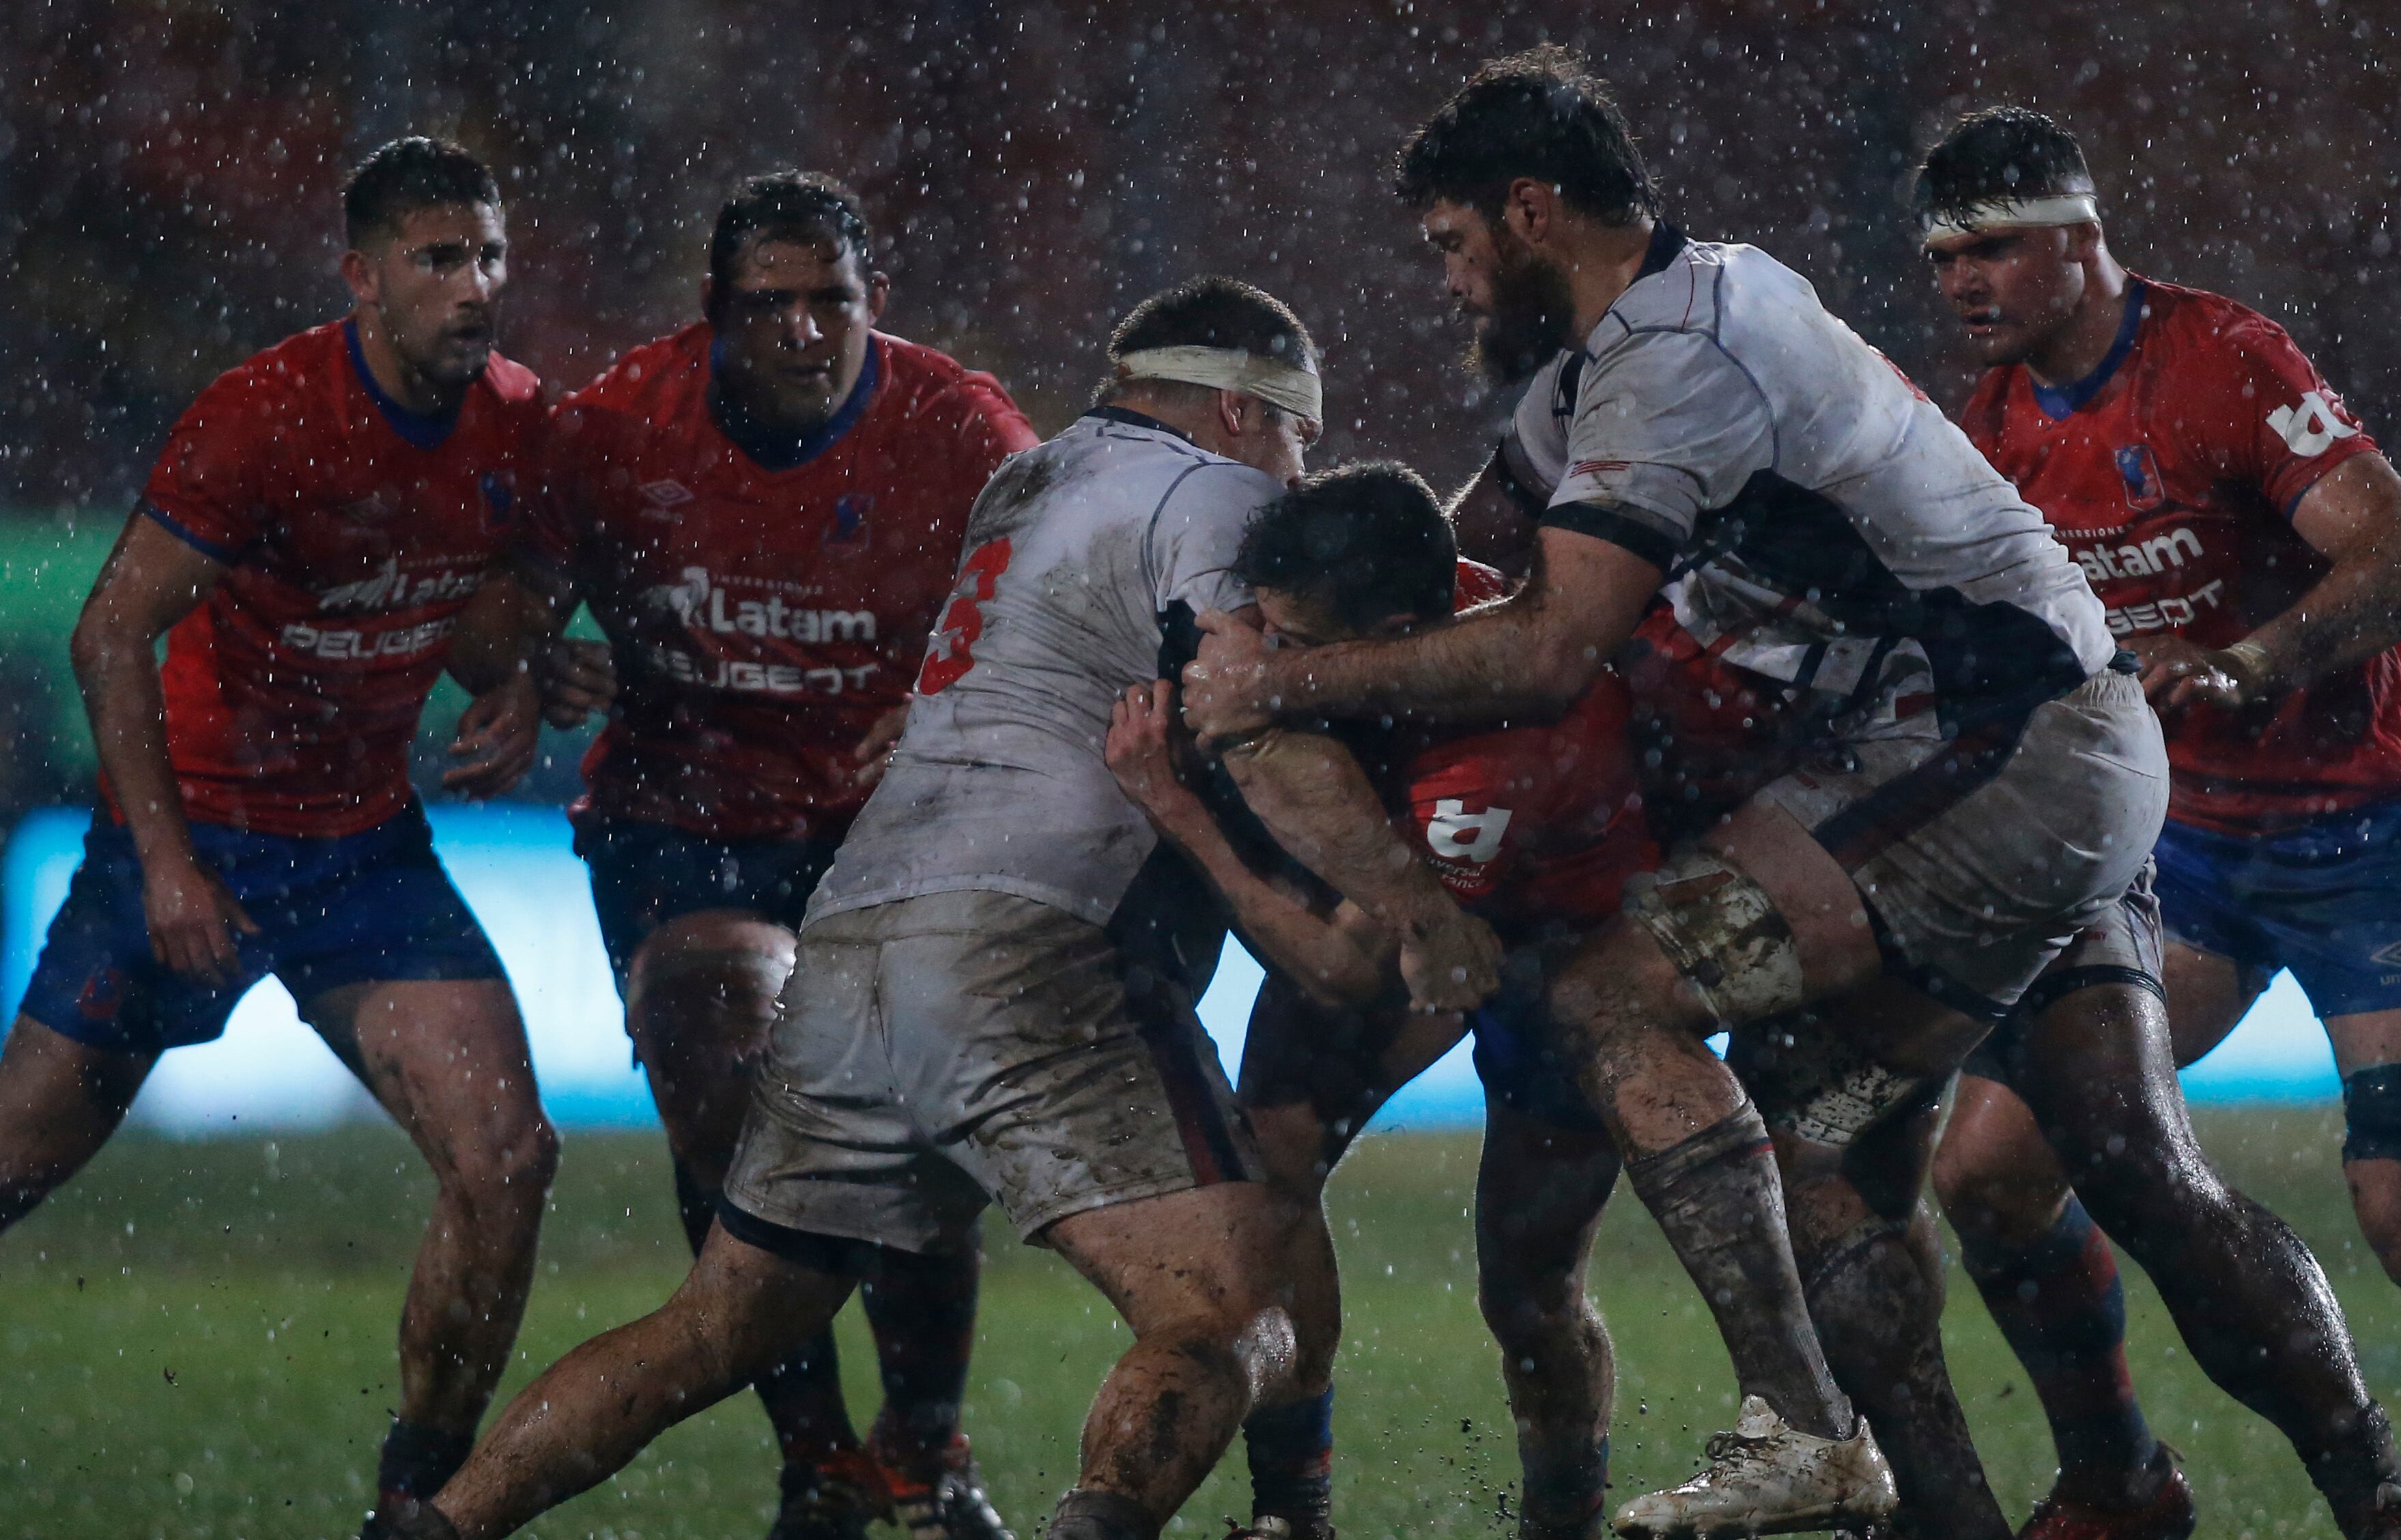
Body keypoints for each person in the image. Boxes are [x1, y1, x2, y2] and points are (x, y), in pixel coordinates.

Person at [1182, 47, 2163, 1536]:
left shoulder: (1670, 359)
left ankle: (1806, 1432)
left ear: (1526, 211)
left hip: (2000, 749)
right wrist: (1351, 619)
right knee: (1827, 1179)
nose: (1446, 286)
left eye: (1452, 245)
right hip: (1959, 749)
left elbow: (1544, 642)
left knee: (1606, 1000)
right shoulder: (1637, 338)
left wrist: (1282, 691)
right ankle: (1956, 1506)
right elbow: (1458, 551)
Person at [382, 277, 1501, 1540]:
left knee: (712, 1328)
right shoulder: (1221, 498)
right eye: (1299, 435)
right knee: (1236, 1314)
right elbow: (1251, 729)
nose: (1300, 476)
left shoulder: (1025, 489)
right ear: (1241, 413)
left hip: (855, 938)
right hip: (1029, 940)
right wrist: (1417, 903)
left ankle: (439, 1522)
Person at [1919, 106, 2401, 1540]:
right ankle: (2115, 1482)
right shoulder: (1995, 423)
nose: (1964, 284)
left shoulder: (2219, 360)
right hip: (2183, 856)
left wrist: (2247, 664)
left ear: (2078, 237)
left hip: (2372, 838)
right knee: (1990, 1171)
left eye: (1994, 250)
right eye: (1944, 260)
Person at [451, 171, 1039, 1540]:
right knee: (725, 1095)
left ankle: (924, 1447)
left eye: (826, 298)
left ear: (873, 305)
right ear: (712, 315)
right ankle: (820, 1457)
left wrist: (958, 695)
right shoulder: (609, 430)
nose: (797, 329)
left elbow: (1059, 601)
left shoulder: (962, 432)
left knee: (907, 1123)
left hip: (888, 827)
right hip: (685, 816)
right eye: (763, 303)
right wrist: (529, 658)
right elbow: (493, 607)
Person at [0, 137, 558, 1537]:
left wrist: (519, 678)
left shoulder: (520, 424)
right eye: (438, 259)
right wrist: (172, 865)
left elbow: (490, 606)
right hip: (185, 840)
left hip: (362, 849)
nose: (472, 286)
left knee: (508, 1163)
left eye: (487, 255)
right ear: (361, 276)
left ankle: (415, 1502)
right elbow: (110, 626)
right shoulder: (264, 417)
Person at [1103, 461, 1653, 1540]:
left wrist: (1183, 814)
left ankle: (1563, 1526)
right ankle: (1294, 1514)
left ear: (1394, 632)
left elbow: (1351, 971)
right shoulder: (1398, 616)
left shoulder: (1492, 754)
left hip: (1561, 958)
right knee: (1274, 1148)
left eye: (1298, 650)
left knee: (1529, 1293)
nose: (1275, 662)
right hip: (1442, 922)